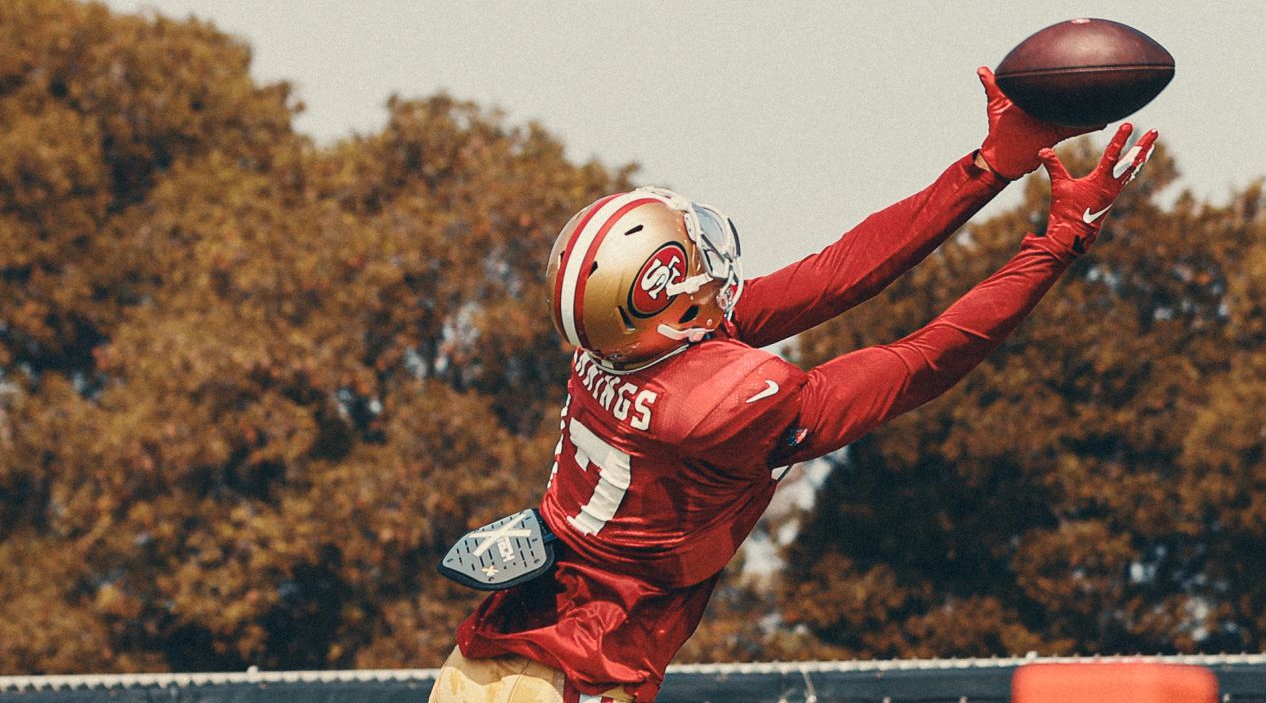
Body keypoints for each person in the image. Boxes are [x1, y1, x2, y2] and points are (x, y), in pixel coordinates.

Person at [427, 67, 1158, 703]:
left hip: (488, 662)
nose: (705, 260)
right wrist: (1060, 241)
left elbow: (837, 274)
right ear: (657, 299)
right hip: (574, 678)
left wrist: (988, 166)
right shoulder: (712, 403)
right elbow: (919, 363)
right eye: (686, 258)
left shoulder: (622, 347)